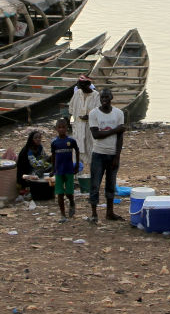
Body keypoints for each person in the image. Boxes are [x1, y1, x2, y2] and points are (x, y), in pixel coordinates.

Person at [87, 88, 126, 223]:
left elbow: (120, 137)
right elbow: (96, 135)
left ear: (111, 98)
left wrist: (117, 156)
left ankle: (110, 212)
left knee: (111, 184)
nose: (104, 99)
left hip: (112, 154)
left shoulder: (118, 113)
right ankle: (94, 214)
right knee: (95, 184)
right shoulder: (94, 114)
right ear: (100, 99)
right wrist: (115, 130)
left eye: (106, 97)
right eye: (102, 97)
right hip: (98, 154)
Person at [68, 75, 99, 191]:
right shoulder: (77, 94)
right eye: (79, 86)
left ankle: (93, 180)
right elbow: (71, 108)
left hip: (90, 130)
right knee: (76, 155)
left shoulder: (96, 96)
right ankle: (77, 179)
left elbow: (99, 112)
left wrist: (89, 116)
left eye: (82, 85)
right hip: (78, 128)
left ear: (88, 85)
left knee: (91, 154)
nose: (80, 88)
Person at [51, 118, 80, 219]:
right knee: (59, 193)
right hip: (59, 170)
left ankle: (72, 203)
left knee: (69, 192)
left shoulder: (71, 141)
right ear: (56, 129)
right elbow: (53, 155)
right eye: (59, 128)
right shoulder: (54, 142)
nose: (62, 129)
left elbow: (77, 150)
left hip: (69, 170)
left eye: (63, 127)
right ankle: (63, 214)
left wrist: (76, 165)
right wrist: (53, 168)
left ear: (67, 128)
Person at [16, 130, 54, 201]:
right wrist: (45, 162)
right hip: (26, 171)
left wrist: (51, 159)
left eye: (39, 138)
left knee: (52, 166)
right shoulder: (28, 150)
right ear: (32, 139)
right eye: (36, 138)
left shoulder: (39, 147)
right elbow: (34, 164)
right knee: (38, 173)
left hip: (36, 167)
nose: (38, 139)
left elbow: (44, 157)